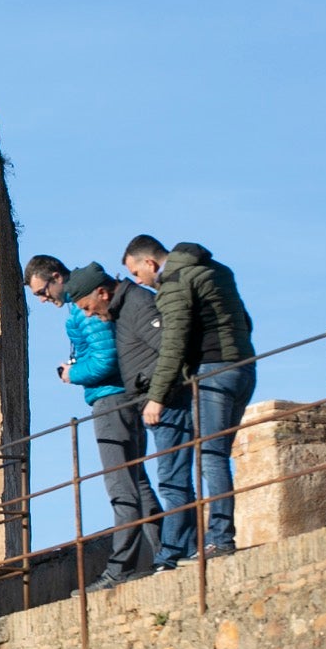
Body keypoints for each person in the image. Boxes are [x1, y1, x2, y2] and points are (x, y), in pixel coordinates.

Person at [122, 235, 257, 557]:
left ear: (150, 263)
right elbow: (245, 321)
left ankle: (220, 539)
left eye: (137, 274)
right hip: (244, 367)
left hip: (213, 372)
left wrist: (157, 396)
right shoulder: (216, 269)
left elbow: (173, 344)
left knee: (211, 455)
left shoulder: (174, 282)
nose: (139, 282)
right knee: (218, 452)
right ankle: (218, 535)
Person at [61, 263, 164, 589]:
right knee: (137, 481)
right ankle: (165, 554)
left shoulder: (84, 313)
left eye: (40, 292)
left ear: (55, 280)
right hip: (130, 397)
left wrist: (71, 374)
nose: (41, 300)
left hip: (111, 400)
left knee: (121, 486)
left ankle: (122, 569)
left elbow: (105, 359)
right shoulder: (95, 307)